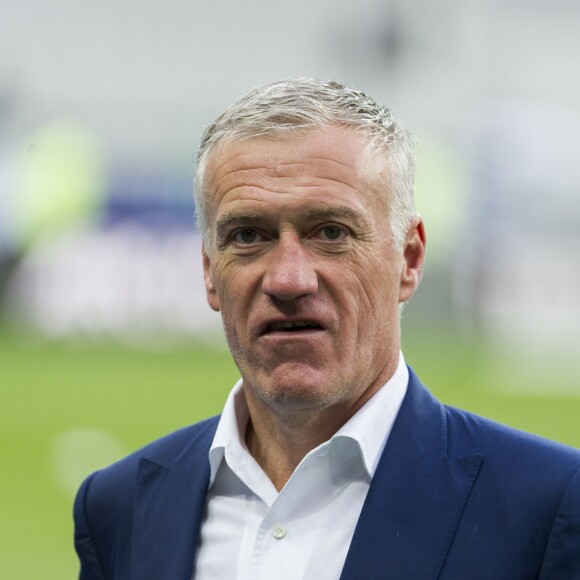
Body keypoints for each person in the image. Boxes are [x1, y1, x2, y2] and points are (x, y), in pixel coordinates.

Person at [74, 79, 580, 580]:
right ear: (209, 270)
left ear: (409, 258)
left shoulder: (547, 505)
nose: (288, 279)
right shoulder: (120, 509)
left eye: (331, 233)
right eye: (248, 235)